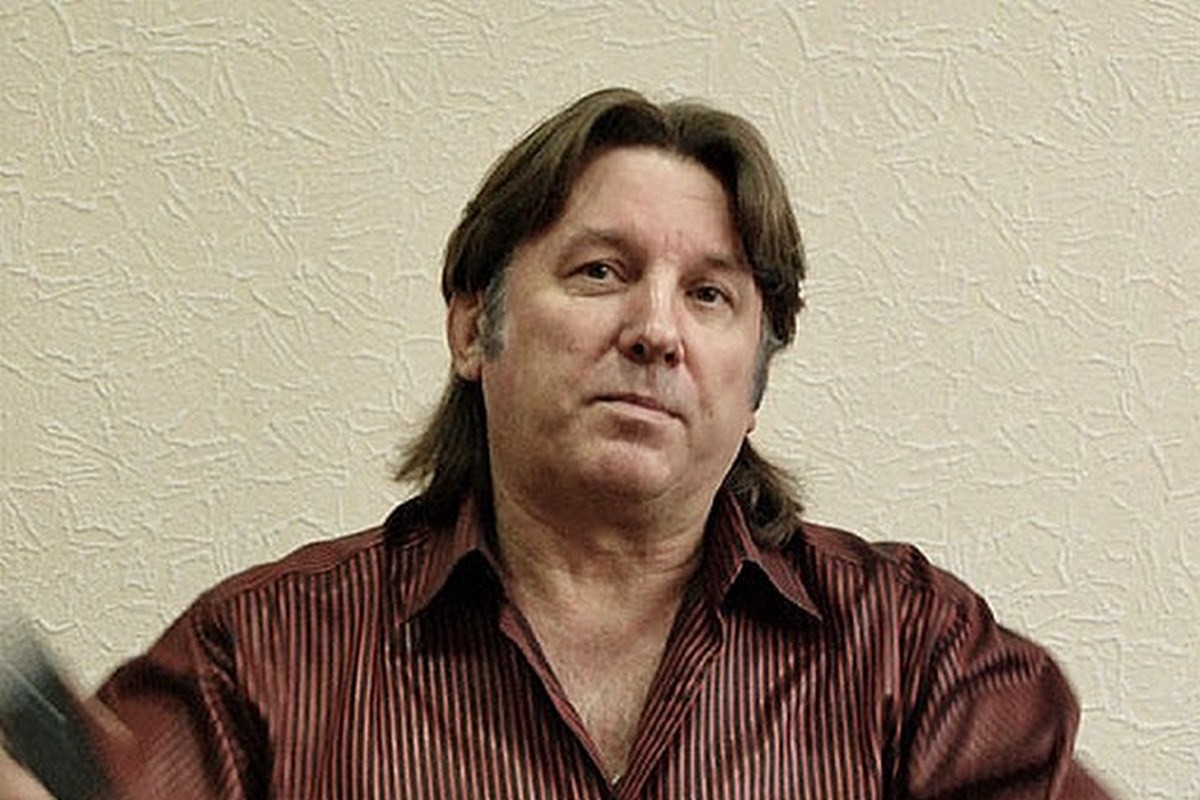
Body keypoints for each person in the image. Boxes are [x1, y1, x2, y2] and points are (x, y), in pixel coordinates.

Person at [0, 88, 1111, 798]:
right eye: (600, 271)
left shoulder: (918, 658)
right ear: (470, 326)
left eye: (711, 295)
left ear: (756, 379)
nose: (656, 330)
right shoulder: (265, 659)